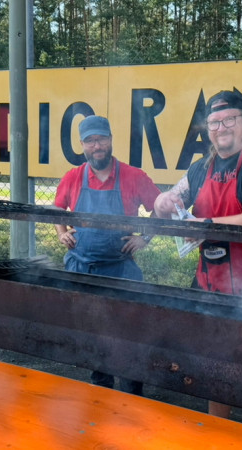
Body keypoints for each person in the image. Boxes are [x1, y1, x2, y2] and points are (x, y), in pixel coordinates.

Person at [154, 90, 242, 434]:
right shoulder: (200, 168)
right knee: (216, 364)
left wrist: (205, 227)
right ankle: (219, 437)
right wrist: (165, 200)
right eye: (214, 122)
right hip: (212, 285)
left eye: (229, 119)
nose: (221, 127)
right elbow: (169, 198)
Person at [54, 115, 161, 395]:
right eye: (90, 141)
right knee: (92, 333)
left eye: (101, 138)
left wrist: (145, 237)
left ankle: (130, 392)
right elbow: (56, 211)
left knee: (127, 334)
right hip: (82, 269)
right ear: (82, 145)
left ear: (111, 140)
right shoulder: (73, 177)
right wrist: (61, 232)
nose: (97, 145)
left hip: (121, 269)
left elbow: (160, 209)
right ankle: (100, 390)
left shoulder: (134, 176)